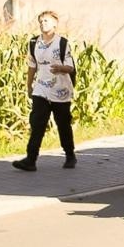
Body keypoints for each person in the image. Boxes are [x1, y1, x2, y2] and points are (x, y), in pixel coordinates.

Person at [12, 10, 78, 171]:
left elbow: (70, 67)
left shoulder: (62, 43)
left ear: (55, 24)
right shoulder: (34, 43)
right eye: (41, 21)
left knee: (63, 123)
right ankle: (31, 159)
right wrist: (29, 86)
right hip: (41, 88)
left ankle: (70, 155)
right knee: (37, 123)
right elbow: (32, 66)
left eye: (46, 21)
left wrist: (61, 67)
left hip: (60, 90)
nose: (43, 24)